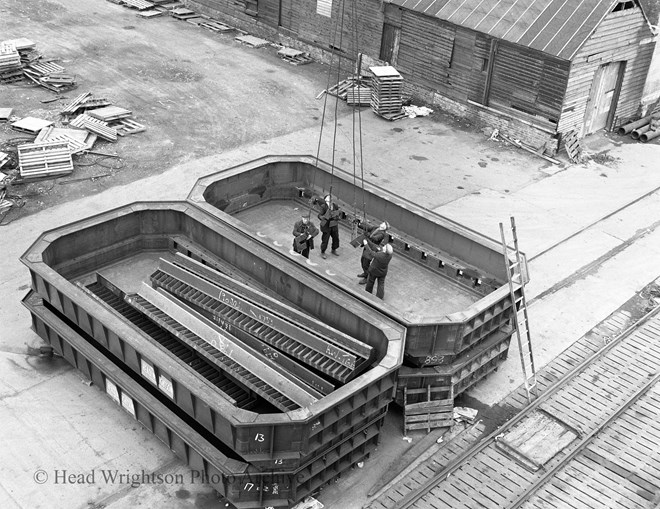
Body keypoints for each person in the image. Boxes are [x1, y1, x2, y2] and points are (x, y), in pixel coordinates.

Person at [316, 194, 341, 259]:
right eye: (328, 198)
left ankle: (334, 249)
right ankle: (323, 251)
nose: (330, 199)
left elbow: (338, 214)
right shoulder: (323, 207)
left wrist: (337, 217)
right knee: (325, 239)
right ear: (325, 200)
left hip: (333, 225)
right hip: (326, 226)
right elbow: (319, 215)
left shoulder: (335, 206)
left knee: (336, 238)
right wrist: (325, 217)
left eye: (331, 198)